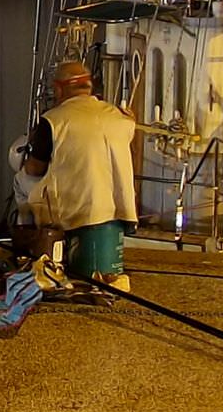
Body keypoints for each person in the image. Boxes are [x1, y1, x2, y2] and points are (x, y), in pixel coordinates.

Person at [19, 60, 138, 293]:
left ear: (59, 88)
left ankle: (38, 250)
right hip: (118, 206)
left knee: (23, 183)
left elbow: (35, 169)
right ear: (89, 88)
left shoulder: (53, 120)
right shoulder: (120, 117)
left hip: (75, 208)